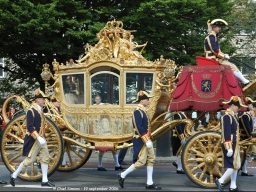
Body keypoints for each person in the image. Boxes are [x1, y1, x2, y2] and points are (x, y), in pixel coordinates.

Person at [10, 90, 55, 187]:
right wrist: (38, 138)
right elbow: (30, 127)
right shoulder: (31, 111)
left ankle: (45, 180)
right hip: (34, 139)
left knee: (45, 158)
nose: (44, 101)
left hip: (41, 138)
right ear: (37, 100)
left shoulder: (40, 111)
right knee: (29, 160)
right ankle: (14, 175)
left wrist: (43, 136)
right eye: (43, 99)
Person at [118, 90, 161, 190]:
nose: (149, 101)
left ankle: (149, 183)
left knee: (151, 159)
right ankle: (122, 175)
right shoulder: (137, 111)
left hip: (146, 139)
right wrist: (146, 140)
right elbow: (139, 128)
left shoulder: (143, 111)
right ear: (142, 101)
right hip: (141, 140)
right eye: (147, 99)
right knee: (141, 161)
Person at [205, 19, 251, 86]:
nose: (220, 28)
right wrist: (223, 56)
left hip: (214, 58)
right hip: (212, 58)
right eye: (218, 26)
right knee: (232, 66)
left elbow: (216, 50)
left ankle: (243, 81)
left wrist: (224, 55)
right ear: (213, 27)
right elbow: (214, 50)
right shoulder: (211, 37)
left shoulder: (213, 36)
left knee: (231, 65)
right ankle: (245, 81)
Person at [215, 95, 246, 192]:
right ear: (232, 105)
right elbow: (226, 133)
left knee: (235, 165)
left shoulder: (232, 116)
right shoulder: (226, 117)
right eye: (238, 106)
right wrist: (228, 147)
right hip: (230, 144)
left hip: (234, 144)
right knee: (234, 166)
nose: (239, 108)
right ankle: (220, 180)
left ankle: (233, 186)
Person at [239, 97, 255, 176]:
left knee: (252, 153)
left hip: (248, 137)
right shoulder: (244, 115)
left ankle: (243, 168)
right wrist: (251, 135)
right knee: (247, 154)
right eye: (250, 104)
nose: (252, 105)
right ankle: (244, 170)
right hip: (245, 137)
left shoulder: (247, 115)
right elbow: (247, 128)